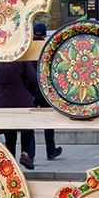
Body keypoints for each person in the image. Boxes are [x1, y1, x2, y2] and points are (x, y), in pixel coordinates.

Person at [0, 58, 37, 170]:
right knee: (27, 129)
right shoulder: (22, 60)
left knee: (9, 135)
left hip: (3, 101)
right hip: (22, 99)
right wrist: (31, 94)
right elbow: (33, 79)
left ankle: (11, 164)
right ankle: (25, 153)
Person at [29, 21, 62, 162]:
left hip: (31, 90)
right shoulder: (47, 49)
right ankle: (51, 150)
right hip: (44, 90)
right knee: (48, 122)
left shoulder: (28, 48)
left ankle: (30, 155)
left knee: (30, 125)